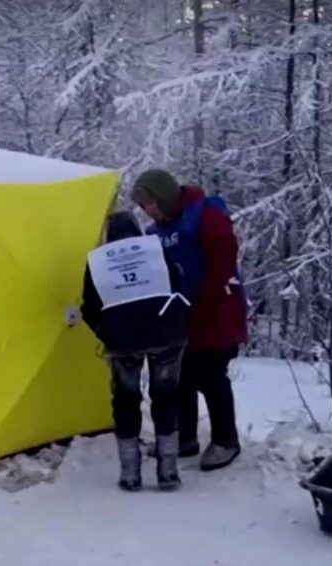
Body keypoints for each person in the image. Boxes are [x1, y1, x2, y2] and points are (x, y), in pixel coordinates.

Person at [131, 168, 247, 472]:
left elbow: (223, 264)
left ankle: (226, 440)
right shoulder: (155, 232)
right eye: (143, 207)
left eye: (151, 203)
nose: (148, 211)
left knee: (210, 376)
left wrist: (198, 303)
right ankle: (185, 436)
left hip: (215, 312)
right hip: (178, 316)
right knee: (179, 376)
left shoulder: (207, 216)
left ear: (165, 196)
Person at [80, 210, 190, 491]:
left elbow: (89, 307)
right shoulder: (156, 253)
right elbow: (179, 286)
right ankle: (168, 470)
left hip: (123, 341)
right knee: (166, 397)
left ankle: (130, 473)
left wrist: (107, 334)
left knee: (126, 400)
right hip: (166, 336)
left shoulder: (99, 263)